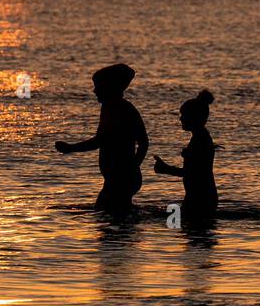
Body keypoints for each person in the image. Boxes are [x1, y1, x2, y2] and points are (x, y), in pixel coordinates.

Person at [55, 63, 148, 212]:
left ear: (110, 87)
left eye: (98, 86)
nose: (94, 90)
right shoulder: (110, 108)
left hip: (121, 178)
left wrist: (71, 148)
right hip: (117, 178)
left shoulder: (121, 109)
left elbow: (102, 140)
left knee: (108, 216)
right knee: (116, 218)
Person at [154, 90, 219, 219]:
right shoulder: (200, 137)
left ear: (194, 117)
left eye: (184, 115)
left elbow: (193, 172)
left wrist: (165, 169)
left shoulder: (200, 140)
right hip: (199, 195)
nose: (180, 118)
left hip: (201, 197)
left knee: (183, 227)